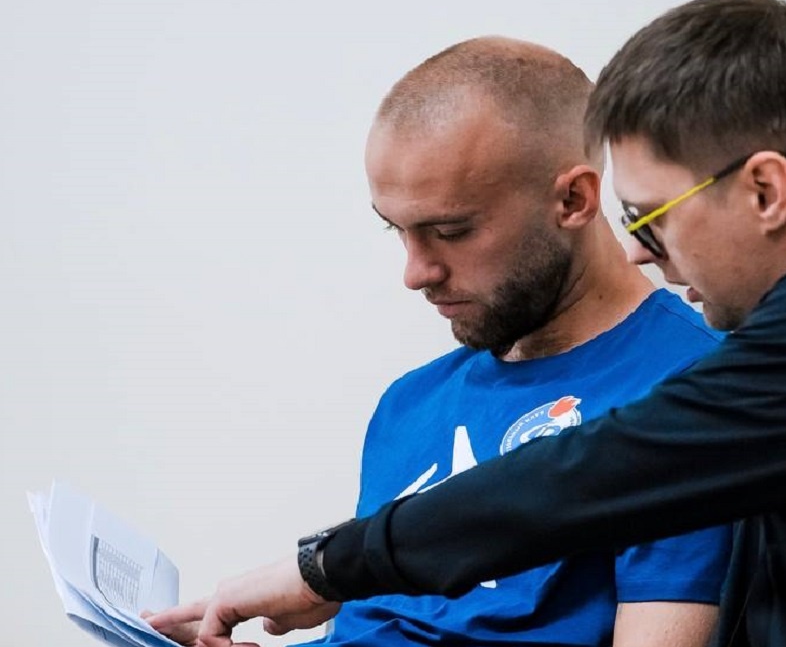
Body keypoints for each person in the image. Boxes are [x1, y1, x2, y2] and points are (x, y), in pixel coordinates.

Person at [149, 0, 786, 647]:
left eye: (649, 217)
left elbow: (608, 467)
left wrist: (326, 565)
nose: (638, 252)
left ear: (764, 190)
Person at [148, 37, 732, 647]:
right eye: (396, 230)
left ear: (573, 200)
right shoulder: (410, 402)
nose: (415, 273)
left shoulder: (697, 394)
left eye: (450, 231)